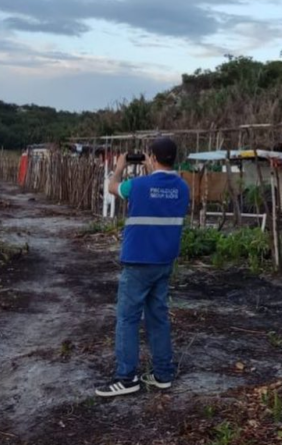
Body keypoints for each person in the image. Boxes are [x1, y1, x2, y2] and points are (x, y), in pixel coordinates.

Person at [96, 138, 190, 397]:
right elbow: (160, 192)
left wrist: (119, 166)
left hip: (138, 262)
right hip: (164, 262)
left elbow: (112, 188)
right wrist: (153, 168)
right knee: (157, 317)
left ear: (151, 156)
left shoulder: (138, 185)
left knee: (127, 318)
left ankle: (126, 377)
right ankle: (163, 373)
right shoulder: (183, 187)